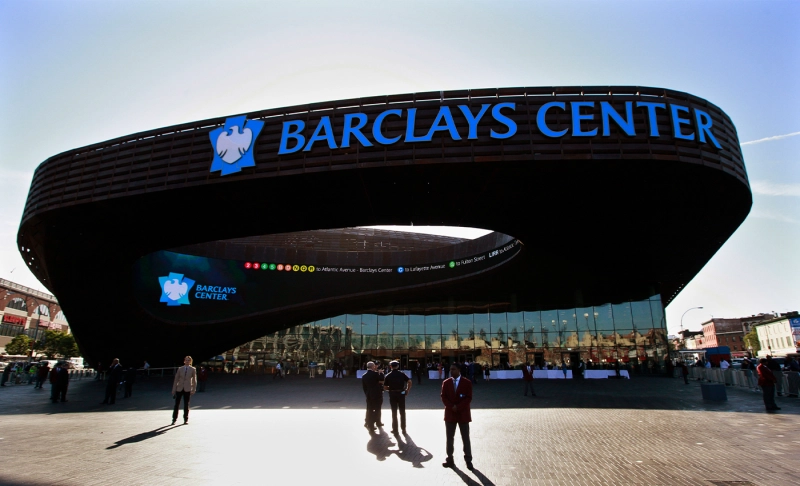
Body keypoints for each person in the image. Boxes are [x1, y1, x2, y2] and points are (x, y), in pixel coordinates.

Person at [441, 363, 473, 470]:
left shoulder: (467, 382)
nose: (451, 371)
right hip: (450, 414)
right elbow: (443, 397)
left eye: (453, 369)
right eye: (450, 369)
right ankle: (449, 458)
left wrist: (458, 407)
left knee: (465, 438)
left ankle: (468, 460)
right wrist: (451, 407)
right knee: (449, 438)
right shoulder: (446, 383)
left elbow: (468, 398)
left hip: (463, 414)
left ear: (459, 370)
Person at [383, 360, 411, 434]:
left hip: (392, 394)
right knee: (402, 411)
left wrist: (390, 389)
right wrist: (407, 389)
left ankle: (395, 429)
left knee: (394, 412)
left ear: (390, 367)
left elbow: (385, 387)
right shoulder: (402, 374)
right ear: (398, 366)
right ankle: (403, 428)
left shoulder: (388, 375)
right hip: (401, 393)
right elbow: (409, 381)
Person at [171, 356, 197, 425]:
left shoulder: (193, 369)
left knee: (186, 405)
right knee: (176, 404)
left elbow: (194, 380)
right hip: (179, 388)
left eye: (189, 360)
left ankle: (185, 419)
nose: (187, 361)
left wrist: (193, 389)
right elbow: (176, 379)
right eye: (186, 360)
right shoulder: (180, 369)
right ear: (184, 361)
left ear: (190, 361)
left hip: (187, 388)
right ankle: (174, 419)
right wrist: (174, 389)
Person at [361, 361, 384, 431]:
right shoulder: (376, 374)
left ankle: (370, 425)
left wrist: (367, 393)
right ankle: (372, 421)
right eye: (374, 366)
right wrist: (381, 373)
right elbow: (382, 379)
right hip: (377, 394)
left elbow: (364, 387)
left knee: (370, 409)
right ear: (373, 366)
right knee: (377, 409)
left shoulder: (364, 375)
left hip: (369, 395)